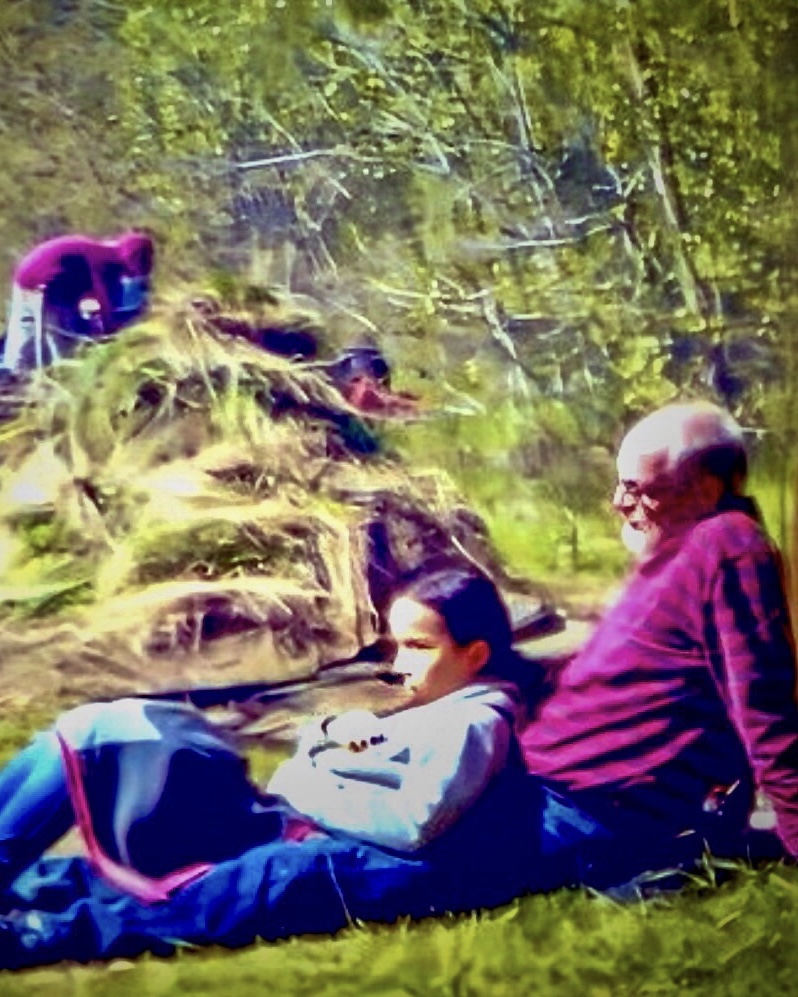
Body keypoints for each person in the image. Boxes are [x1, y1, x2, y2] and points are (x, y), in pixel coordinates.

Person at [0, 560, 539, 968]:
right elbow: (349, 758)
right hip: (275, 817)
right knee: (112, 728)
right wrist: (329, 735)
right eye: (396, 647)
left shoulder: (474, 724)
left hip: (287, 830)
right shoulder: (439, 708)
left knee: (111, 733)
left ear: (475, 655)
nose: (399, 665)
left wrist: (304, 791)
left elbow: (414, 822)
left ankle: (29, 912)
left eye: (418, 647)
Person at [517, 399, 798, 887]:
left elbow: (765, 708)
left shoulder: (728, 546)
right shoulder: (681, 551)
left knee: (390, 859)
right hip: (547, 786)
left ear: (706, 488)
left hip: (584, 806)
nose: (617, 502)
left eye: (637, 488)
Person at [2, 231, 154, 371]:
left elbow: (99, 304)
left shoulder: (104, 253)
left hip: (41, 280)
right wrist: (116, 328)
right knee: (54, 341)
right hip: (41, 283)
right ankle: (18, 375)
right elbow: (105, 311)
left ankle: (14, 369)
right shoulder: (102, 262)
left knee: (32, 335)